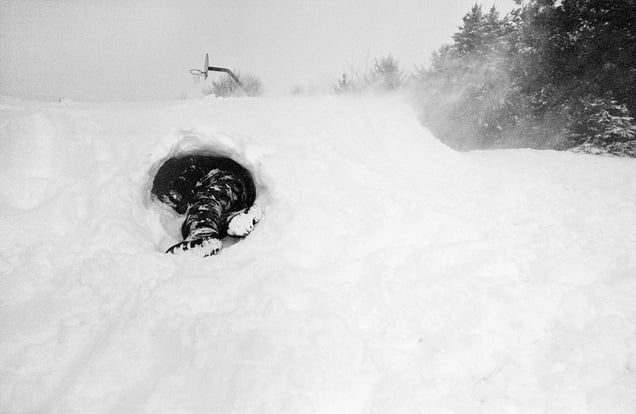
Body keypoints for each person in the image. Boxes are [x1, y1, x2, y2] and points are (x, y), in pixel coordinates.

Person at [151, 154, 261, 256]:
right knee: (210, 215)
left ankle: (202, 234)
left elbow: (204, 202)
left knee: (205, 204)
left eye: (172, 196)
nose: (172, 201)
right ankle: (235, 219)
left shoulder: (182, 172)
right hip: (232, 199)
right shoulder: (182, 196)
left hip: (224, 179)